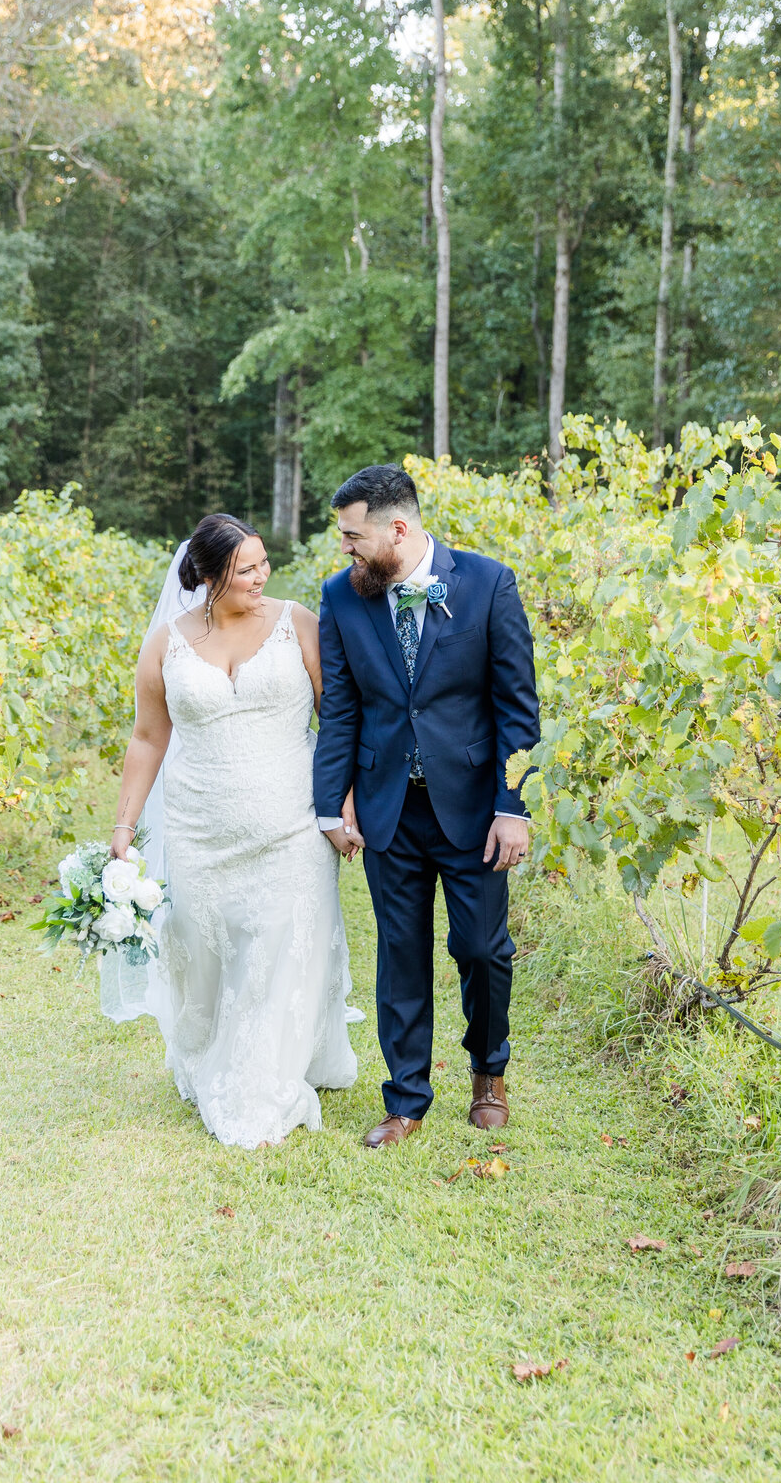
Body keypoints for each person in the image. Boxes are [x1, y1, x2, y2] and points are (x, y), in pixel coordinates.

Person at [108, 513, 359, 1149]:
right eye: (245, 568)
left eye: (262, 563)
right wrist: (124, 825)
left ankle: (259, 1084)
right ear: (210, 576)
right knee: (209, 957)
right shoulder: (166, 643)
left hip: (292, 825)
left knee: (280, 955)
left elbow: (339, 719)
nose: (261, 575)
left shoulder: (297, 622)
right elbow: (147, 737)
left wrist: (344, 803)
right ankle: (210, 1053)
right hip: (199, 829)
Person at [313, 465, 541, 1148]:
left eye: (354, 536)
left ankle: (488, 1072)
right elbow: (342, 711)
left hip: (475, 809)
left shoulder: (487, 584)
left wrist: (514, 806)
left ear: (398, 530)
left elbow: (517, 707)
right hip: (389, 808)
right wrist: (332, 806)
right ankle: (406, 1098)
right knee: (400, 954)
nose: (346, 549)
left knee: (482, 949)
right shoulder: (342, 598)